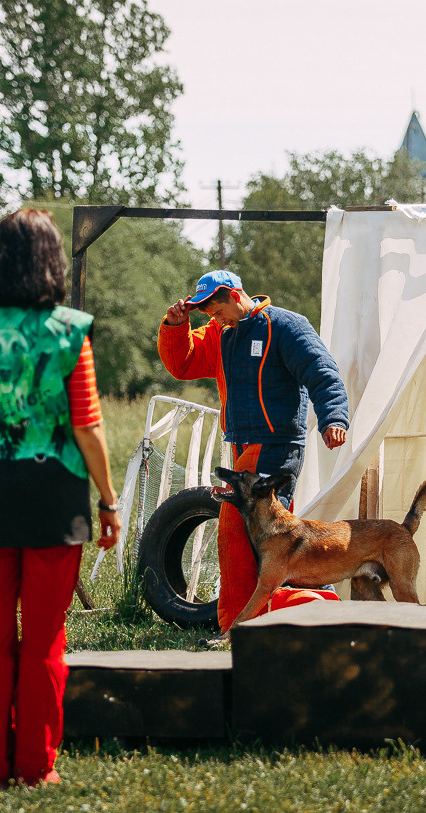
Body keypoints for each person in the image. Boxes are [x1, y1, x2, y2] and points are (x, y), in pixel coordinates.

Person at [0, 208, 121, 788]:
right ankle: (36, 768)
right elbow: (88, 426)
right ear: (52, 263)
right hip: (53, 497)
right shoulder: (69, 329)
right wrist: (109, 501)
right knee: (44, 636)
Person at [158, 269, 349, 632]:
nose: (215, 319)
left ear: (234, 295)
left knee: (235, 527)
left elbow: (322, 372)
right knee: (272, 538)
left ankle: (238, 628)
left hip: (277, 444)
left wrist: (333, 418)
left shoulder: (286, 326)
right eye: (210, 316)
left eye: (216, 311)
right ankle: (307, 610)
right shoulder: (221, 333)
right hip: (244, 446)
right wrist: (174, 326)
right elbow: (182, 364)